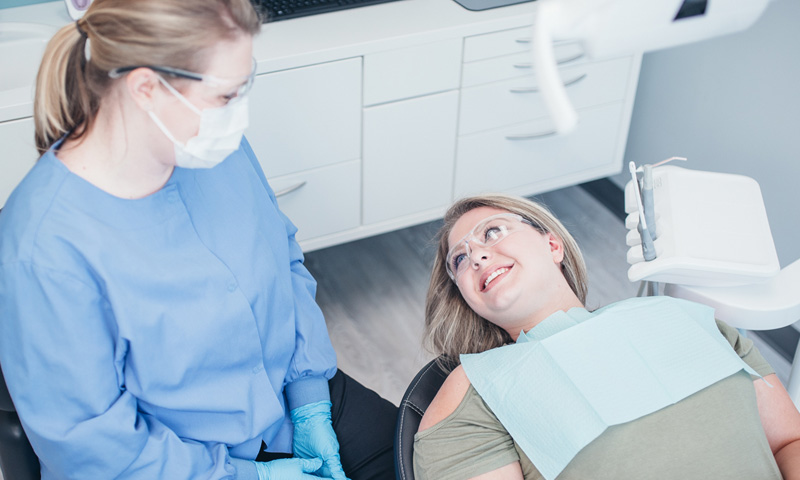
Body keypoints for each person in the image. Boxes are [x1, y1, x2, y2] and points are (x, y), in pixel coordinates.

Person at [0, 1, 396, 479]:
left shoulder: (206, 148)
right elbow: (91, 444)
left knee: (424, 459)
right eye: (225, 97)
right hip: (174, 463)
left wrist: (309, 395)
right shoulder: (45, 249)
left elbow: (283, 255)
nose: (237, 117)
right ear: (146, 88)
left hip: (291, 397)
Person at [413, 193, 800, 480]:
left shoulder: (688, 319)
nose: (477, 256)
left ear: (552, 245)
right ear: (466, 296)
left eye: (492, 232)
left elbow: (789, 443)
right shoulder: (476, 389)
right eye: (459, 260)